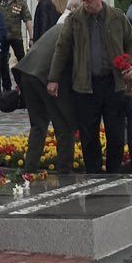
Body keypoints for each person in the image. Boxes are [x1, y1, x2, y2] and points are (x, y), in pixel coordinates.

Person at [47, 0, 132, 173]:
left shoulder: (117, 16)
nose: (85, 5)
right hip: (85, 85)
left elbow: (131, 43)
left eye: (89, 1)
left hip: (113, 84)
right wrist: (53, 78)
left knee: (115, 134)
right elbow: (62, 48)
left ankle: (113, 171)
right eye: (83, 0)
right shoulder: (74, 19)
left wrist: (131, 65)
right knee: (89, 134)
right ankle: (94, 173)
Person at [13, 20, 76, 173]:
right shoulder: (75, 32)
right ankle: (65, 170)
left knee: (38, 124)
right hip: (44, 76)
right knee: (64, 125)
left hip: (27, 72)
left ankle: (30, 167)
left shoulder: (59, 26)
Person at [0, 0, 31, 65]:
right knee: (2, 60)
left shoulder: (21, 2)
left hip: (16, 36)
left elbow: (27, 20)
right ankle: (6, 78)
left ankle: (22, 78)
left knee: (21, 60)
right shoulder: (0, 2)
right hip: (3, 36)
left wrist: (31, 37)